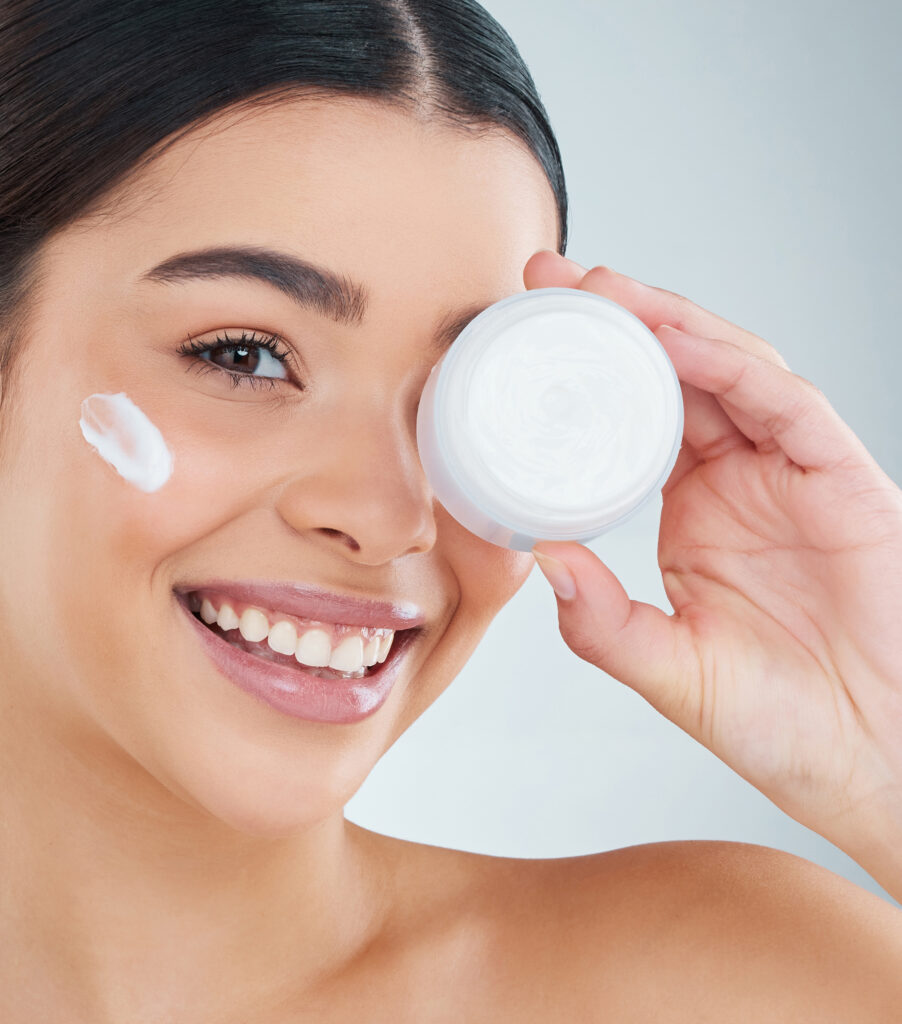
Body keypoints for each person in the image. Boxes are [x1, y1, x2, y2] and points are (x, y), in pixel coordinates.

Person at [0, 1, 900, 1019]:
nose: (390, 517)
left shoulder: (724, 981)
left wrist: (881, 752)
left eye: (464, 395)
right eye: (243, 355)